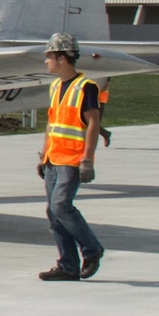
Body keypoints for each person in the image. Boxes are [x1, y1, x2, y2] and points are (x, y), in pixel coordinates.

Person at [35, 32, 104, 282]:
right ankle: (68, 265)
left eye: (49, 56)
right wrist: (44, 154)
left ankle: (92, 249)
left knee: (61, 206)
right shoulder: (55, 86)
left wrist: (87, 159)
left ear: (63, 58)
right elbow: (52, 123)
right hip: (54, 159)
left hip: (72, 160)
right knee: (53, 213)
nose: (46, 62)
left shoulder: (87, 87)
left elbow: (93, 123)